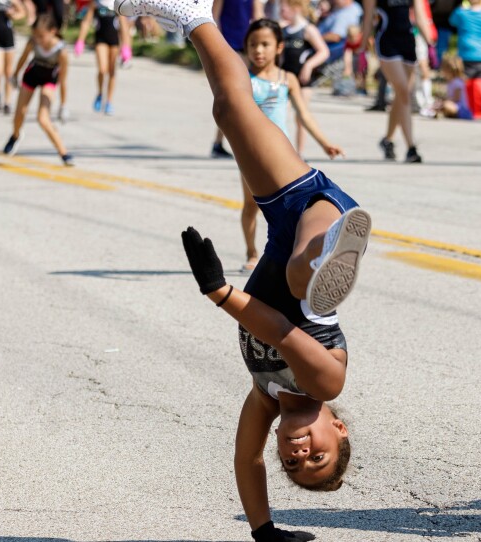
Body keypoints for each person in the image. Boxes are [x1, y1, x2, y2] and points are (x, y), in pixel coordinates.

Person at [114, 0, 371, 538]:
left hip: (287, 211)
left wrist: (264, 532)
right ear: (339, 429)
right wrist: (218, 292)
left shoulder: (265, 397)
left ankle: (191, 14)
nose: (300, 455)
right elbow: (276, 329)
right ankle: (328, 255)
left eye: (293, 466)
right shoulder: (326, 380)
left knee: (230, 110)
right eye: (319, 458)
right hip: (320, 217)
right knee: (303, 288)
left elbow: (245, 459)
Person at [240, 18, 344, 272]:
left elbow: (304, 115)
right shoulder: (243, 78)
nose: (258, 50)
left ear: (279, 47)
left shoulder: (288, 79)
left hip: (283, 153)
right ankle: (252, 253)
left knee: (292, 207)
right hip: (251, 154)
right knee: (252, 205)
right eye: (253, 44)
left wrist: (324, 143)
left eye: (265, 44)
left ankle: (290, 254)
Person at [360, 0, 433, 163]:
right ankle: (411, 148)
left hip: (407, 40)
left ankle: (387, 140)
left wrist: (430, 43)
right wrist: (362, 45)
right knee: (404, 92)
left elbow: (420, 15)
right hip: (387, 40)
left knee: (402, 96)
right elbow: (368, 18)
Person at [3, 14, 73, 165]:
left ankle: (63, 152)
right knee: (19, 114)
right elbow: (23, 58)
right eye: (36, 35)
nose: (38, 39)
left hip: (49, 79)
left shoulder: (61, 51)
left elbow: (63, 79)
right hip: (32, 75)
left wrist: (63, 105)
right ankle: (15, 136)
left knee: (43, 118)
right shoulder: (33, 41)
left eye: (42, 36)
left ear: (53, 31)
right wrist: (15, 75)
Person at [210, 0, 264, 158]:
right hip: (230, 44)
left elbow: (258, 15)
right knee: (232, 95)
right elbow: (215, 17)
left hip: (248, 45)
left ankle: (249, 140)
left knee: (249, 94)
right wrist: (219, 46)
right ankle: (219, 142)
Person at [279, 0, 330, 153]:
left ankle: (299, 154)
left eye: (284, 8)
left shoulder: (308, 29)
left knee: (301, 116)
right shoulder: (284, 30)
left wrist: (308, 66)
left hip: (303, 80)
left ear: (295, 8)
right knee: (279, 113)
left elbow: (323, 51)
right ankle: (281, 151)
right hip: (285, 78)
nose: (281, 11)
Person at [75, 0, 122, 115]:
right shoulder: (96, 3)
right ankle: (100, 93)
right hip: (100, 39)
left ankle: (109, 101)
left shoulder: (118, 4)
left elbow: (124, 25)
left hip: (114, 41)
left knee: (112, 71)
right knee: (102, 69)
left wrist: (126, 46)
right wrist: (81, 40)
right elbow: (86, 22)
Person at [0, 0, 25, 115]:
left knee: (8, 72)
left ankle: (7, 102)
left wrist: (13, 13)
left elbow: (22, 13)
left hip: (8, 37)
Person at [448, 0, 481, 79]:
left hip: (466, 54)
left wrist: (460, 7)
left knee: (466, 83)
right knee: (480, 85)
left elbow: (452, 21)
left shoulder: (461, 13)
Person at [434, 54, 472, 119]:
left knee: (446, 105)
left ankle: (444, 112)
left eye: (444, 71)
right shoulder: (450, 82)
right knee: (439, 104)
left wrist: (445, 101)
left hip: (461, 110)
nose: (443, 74)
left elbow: (456, 98)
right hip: (454, 106)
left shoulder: (457, 82)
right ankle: (442, 112)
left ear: (450, 71)